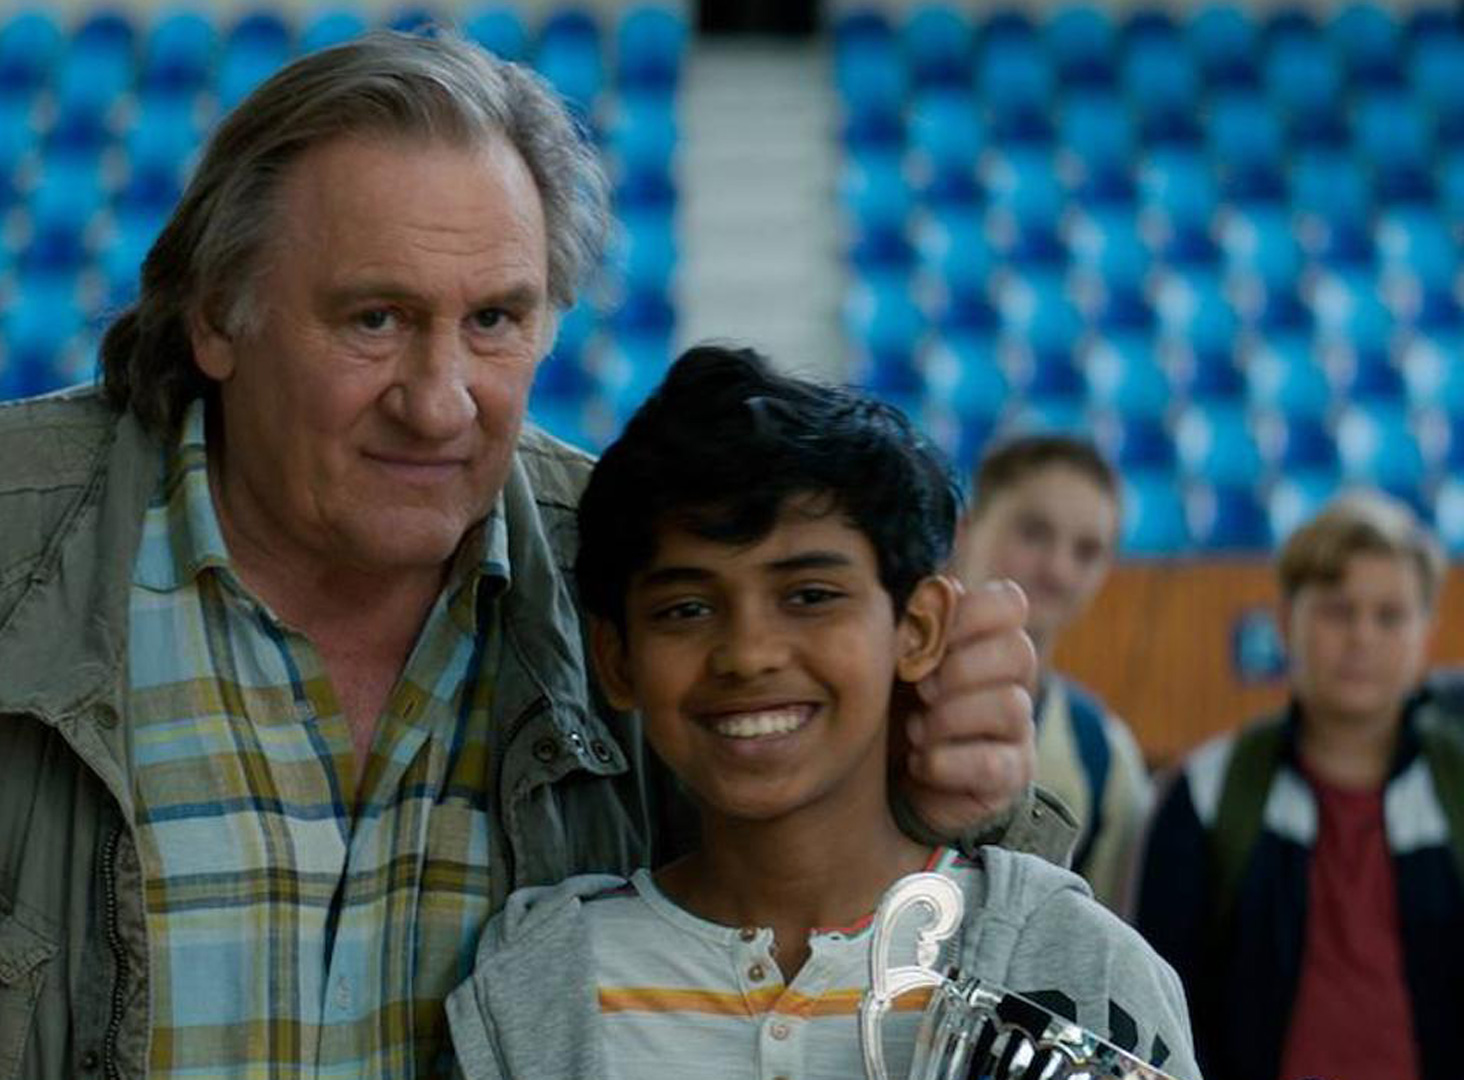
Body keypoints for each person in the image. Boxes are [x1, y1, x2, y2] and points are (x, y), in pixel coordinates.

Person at [0, 33, 1062, 1080]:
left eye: (496, 322)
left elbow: (888, 970)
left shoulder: (645, 586)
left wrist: (957, 799)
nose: (440, 402)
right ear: (218, 316)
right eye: (374, 321)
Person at [446, 347, 1196, 1080]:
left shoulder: (1080, 966)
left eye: (810, 596)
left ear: (919, 629)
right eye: (686, 608)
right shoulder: (540, 985)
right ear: (616, 660)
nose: (748, 653)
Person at [1134, 491, 1464, 1080]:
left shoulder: (1455, 784)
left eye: (1389, 615)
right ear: (1286, 622)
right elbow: (1157, 1011)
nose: (1361, 636)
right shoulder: (1207, 793)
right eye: (1337, 610)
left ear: (1426, 634)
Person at [952, 435, 1153, 911]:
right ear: (965, 529)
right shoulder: (875, 701)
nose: (1058, 569)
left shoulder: (1106, 758)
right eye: (1033, 533)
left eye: (1087, 551)